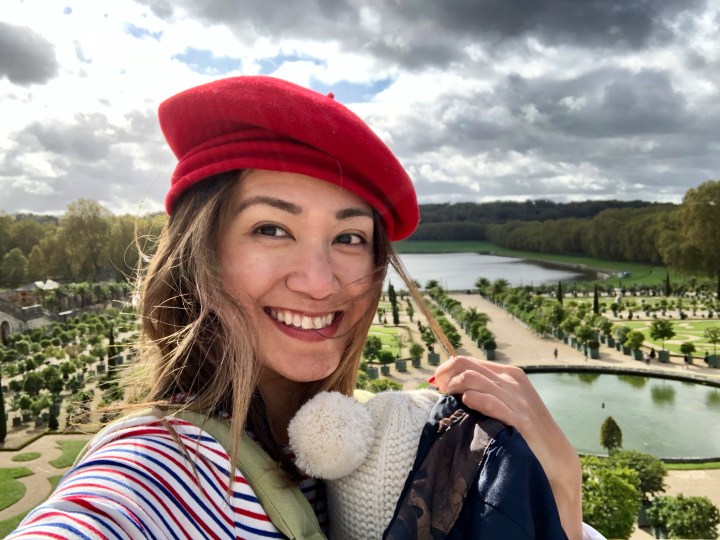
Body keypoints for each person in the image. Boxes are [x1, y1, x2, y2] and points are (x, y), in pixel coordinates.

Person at [7, 76, 598, 539]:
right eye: (271, 228)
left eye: (349, 237)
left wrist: (559, 500)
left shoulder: (365, 453)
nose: (319, 283)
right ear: (200, 254)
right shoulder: (154, 473)